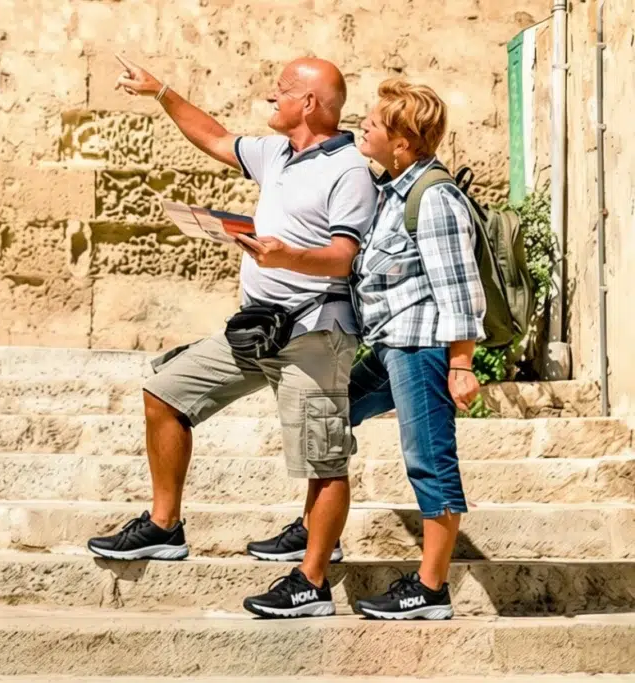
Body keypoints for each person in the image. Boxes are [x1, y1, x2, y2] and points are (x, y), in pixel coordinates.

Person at [86, 54, 377, 620]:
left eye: (283, 89)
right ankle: (164, 527)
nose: (273, 95)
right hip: (258, 326)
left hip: (316, 331)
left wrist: (286, 254)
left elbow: (344, 257)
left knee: (323, 459)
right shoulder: (276, 154)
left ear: (310, 104)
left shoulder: (349, 171)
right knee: (165, 393)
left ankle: (312, 582)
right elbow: (216, 138)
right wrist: (161, 90)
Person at [243, 79, 485, 620]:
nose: (363, 128)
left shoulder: (435, 198)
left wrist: (461, 363)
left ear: (402, 143)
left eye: (375, 124)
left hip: (419, 347)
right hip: (387, 344)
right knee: (332, 415)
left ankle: (431, 588)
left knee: (429, 459)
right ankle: (317, 534)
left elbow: (460, 288)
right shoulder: (392, 188)